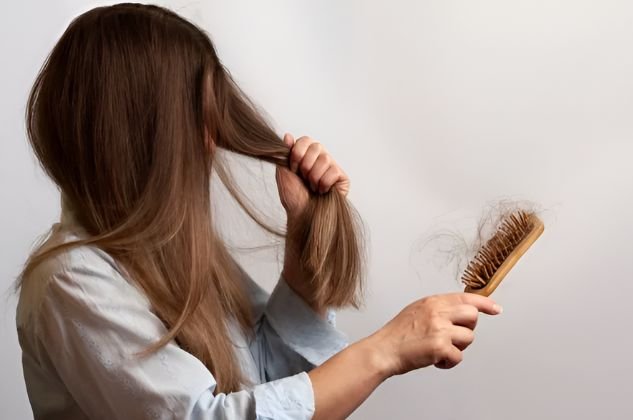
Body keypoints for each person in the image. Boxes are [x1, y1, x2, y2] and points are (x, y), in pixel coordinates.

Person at [16, 4, 502, 419]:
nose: (211, 144)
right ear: (141, 136)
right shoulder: (72, 280)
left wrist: (303, 228)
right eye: (198, 124)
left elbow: (268, 379)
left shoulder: (178, 255)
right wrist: (385, 349)